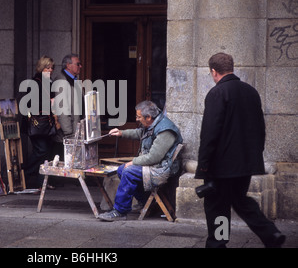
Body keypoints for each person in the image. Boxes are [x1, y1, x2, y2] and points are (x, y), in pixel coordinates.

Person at [196, 52, 285, 248]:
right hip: (245, 164)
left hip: (221, 166)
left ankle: (217, 244)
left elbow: (210, 133)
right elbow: (260, 128)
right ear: (231, 68)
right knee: (240, 200)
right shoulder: (250, 91)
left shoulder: (217, 93)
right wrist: (255, 155)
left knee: (217, 206)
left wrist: (203, 166)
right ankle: (271, 233)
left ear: (213, 71)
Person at [97, 100, 183, 221]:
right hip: (155, 165)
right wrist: (121, 133)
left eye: (139, 117)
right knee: (122, 169)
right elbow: (140, 133)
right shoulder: (153, 123)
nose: (137, 119)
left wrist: (133, 162)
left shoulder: (165, 130)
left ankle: (120, 211)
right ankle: (146, 201)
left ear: (148, 117)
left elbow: (154, 157)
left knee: (129, 171)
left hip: (161, 169)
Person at [24, 56, 56, 189]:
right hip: (37, 123)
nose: (50, 70)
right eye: (47, 67)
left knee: (46, 152)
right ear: (41, 68)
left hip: (46, 123)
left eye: (52, 68)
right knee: (41, 150)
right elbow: (30, 103)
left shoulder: (48, 82)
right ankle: (25, 173)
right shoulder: (35, 82)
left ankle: (41, 181)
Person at [51, 54, 83, 160]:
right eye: (78, 64)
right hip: (67, 134)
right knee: (64, 162)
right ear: (68, 65)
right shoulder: (62, 81)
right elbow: (62, 110)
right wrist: (68, 133)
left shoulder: (73, 80)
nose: (80, 66)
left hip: (74, 131)